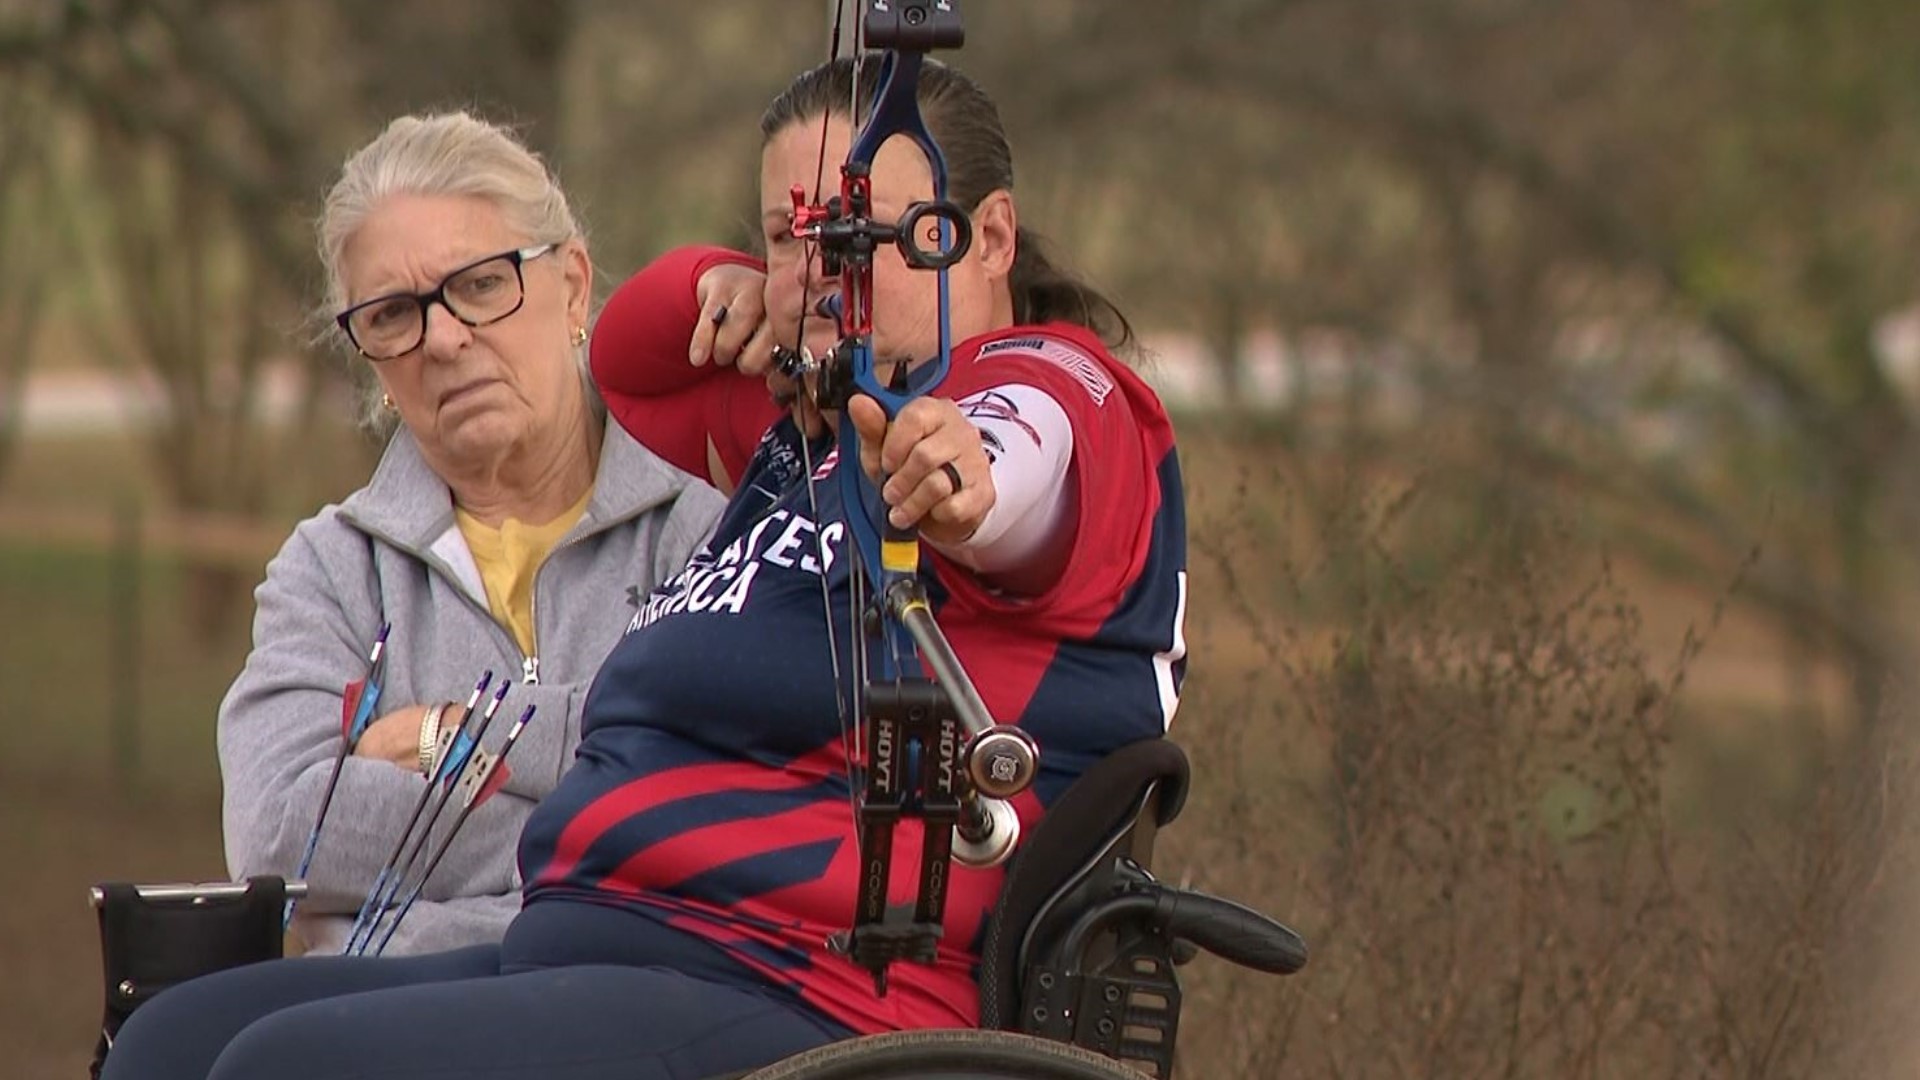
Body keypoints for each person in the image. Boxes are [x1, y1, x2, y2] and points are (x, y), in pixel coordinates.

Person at [101, 54, 1187, 1080]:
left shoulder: (1057, 390)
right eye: (792, 238)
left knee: (280, 1071)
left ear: (989, 237)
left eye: (869, 239)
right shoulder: (800, 443)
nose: (823, 277)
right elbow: (631, 352)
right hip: (605, 936)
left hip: (804, 984)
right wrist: (730, 280)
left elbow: (1020, 465)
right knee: (166, 1043)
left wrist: (963, 484)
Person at [217, 110, 726, 957]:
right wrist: (586, 821)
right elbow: (278, 836)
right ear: (371, 362)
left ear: (573, 288)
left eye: (483, 283)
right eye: (391, 315)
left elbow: (705, 813)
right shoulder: (332, 571)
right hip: (384, 1024)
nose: (445, 339)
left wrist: (433, 735)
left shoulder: (700, 540)